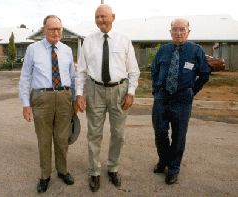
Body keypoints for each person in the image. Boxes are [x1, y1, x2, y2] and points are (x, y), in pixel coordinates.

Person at [76, 4, 140, 192]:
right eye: (97, 17)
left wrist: (131, 93)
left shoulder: (124, 40)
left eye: (103, 16)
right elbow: (81, 71)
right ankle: (94, 171)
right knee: (94, 133)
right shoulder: (88, 40)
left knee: (118, 134)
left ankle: (113, 168)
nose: (100, 20)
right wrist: (79, 94)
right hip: (94, 90)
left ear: (113, 17)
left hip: (119, 91)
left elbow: (134, 70)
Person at [19, 15, 77, 194]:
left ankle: (62, 171)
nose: (56, 32)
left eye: (59, 29)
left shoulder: (67, 50)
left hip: (64, 98)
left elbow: (73, 77)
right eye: (51, 29)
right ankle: (45, 176)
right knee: (44, 140)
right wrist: (26, 104)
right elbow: (25, 77)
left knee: (62, 139)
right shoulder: (32, 49)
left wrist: (75, 99)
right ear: (44, 30)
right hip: (41, 99)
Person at [151, 19, 211, 185]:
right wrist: (156, 91)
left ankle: (174, 168)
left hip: (182, 99)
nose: (178, 33)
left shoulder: (196, 50)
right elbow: (154, 71)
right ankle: (163, 161)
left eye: (182, 29)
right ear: (170, 32)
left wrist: (192, 91)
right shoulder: (163, 50)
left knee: (178, 135)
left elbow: (205, 74)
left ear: (188, 32)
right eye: (175, 29)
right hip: (162, 98)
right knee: (160, 132)